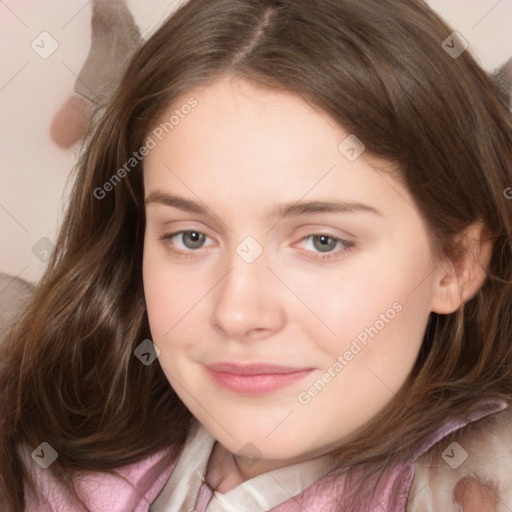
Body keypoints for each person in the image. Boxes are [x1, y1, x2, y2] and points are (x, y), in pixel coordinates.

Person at [1, 0, 512, 510]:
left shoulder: (478, 483)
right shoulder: (45, 453)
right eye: (191, 237)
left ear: (456, 264)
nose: (237, 313)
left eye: (322, 241)